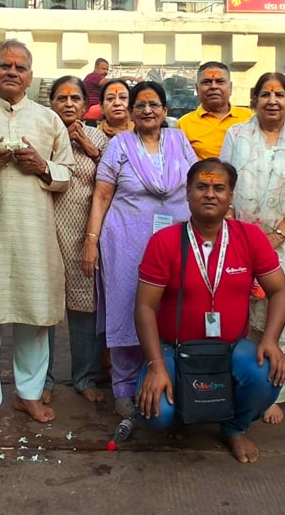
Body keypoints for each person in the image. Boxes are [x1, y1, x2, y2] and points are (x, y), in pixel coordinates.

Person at [134, 159, 285, 463]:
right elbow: (144, 306)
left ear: (231, 195)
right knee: (155, 415)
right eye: (202, 187)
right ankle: (181, 413)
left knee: (267, 374)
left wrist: (270, 339)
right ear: (188, 193)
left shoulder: (250, 237)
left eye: (219, 188)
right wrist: (155, 364)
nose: (210, 194)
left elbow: (280, 291)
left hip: (229, 348)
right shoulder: (164, 241)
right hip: (174, 350)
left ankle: (233, 428)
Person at [0, 39, 75, 433]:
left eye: (20, 67)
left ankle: (28, 393)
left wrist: (42, 167)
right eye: (4, 65)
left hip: (33, 231)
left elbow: (66, 174)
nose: (12, 72)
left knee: (32, 319)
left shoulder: (48, 120)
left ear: (30, 76)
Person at [83, 81, 197, 420]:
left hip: (176, 239)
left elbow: (196, 182)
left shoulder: (178, 140)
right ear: (131, 112)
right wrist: (91, 240)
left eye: (154, 104)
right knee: (125, 306)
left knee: (176, 305)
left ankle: (171, 376)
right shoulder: (120, 144)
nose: (147, 110)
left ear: (165, 110)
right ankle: (124, 386)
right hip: (125, 240)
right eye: (140, 105)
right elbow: (102, 195)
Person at [220, 73, 285, 423]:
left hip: (284, 243)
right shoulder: (237, 134)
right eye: (265, 94)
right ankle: (247, 381)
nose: (272, 100)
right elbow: (224, 184)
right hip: (240, 239)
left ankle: (276, 387)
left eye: (280, 94)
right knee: (243, 309)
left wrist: (278, 235)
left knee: (281, 309)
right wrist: (234, 233)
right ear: (254, 100)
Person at [48, 76, 109, 403]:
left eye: (75, 98)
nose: (69, 104)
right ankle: (42, 382)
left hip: (85, 234)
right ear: (51, 104)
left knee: (85, 309)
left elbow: (115, 180)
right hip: (46, 230)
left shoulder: (102, 138)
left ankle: (84, 377)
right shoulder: (41, 135)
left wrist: (87, 145)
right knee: (44, 309)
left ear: (86, 106)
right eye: (61, 98)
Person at [176, 62, 254, 161]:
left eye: (220, 81)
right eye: (207, 82)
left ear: (230, 87)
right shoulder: (184, 124)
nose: (213, 87)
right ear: (197, 89)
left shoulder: (250, 118)